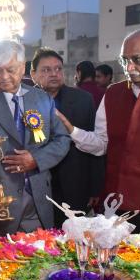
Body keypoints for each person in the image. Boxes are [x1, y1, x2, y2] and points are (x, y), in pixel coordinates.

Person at [56, 28, 140, 249]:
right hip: (116, 205)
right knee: (115, 265)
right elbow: (102, 144)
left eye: (137, 59)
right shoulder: (113, 93)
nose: (129, 67)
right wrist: (72, 131)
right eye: (124, 60)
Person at [0, 40, 70, 237]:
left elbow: (62, 139)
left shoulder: (42, 98)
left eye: (10, 70)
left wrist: (36, 159)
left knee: (41, 253)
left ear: (23, 68)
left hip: (38, 200)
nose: (4, 77)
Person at [29, 47, 102, 225]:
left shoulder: (83, 99)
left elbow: (96, 143)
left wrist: (95, 188)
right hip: (37, 182)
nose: (54, 74)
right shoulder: (24, 101)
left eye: (58, 69)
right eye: (46, 70)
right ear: (33, 74)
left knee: (74, 235)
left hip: (75, 182)